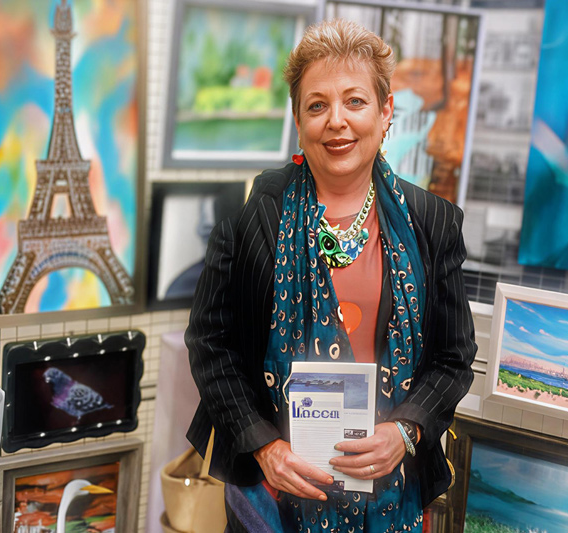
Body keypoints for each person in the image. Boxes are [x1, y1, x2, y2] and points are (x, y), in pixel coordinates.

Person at [185, 18, 477, 532]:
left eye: (355, 101)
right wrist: (264, 445)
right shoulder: (254, 217)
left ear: (386, 112)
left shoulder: (432, 223)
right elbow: (211, 345)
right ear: (299, 121)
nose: (336, 121)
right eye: (317, 105)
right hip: (271, 495)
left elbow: (453, 357)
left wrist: (406, 431)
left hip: (392, 493)